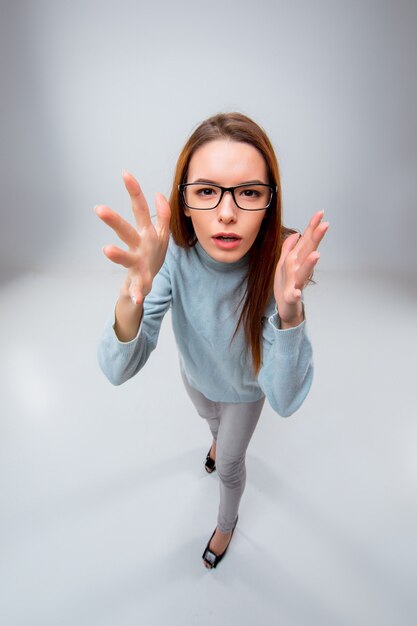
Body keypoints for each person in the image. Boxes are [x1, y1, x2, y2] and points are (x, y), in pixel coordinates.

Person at [95, 112, 329, 569]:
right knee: (209, 419)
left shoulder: (276, 268)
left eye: (248, 193)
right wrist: (131, 293)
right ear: (184, 202)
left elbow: (284, 398)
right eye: (206, 191)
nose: (226, 212)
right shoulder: (175, 258)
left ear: (268, 202)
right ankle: (216, 437)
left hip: (244, 392)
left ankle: (226, 523)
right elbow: (116, 368)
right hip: (197, 377)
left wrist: (289, 311)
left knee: (228, 466)